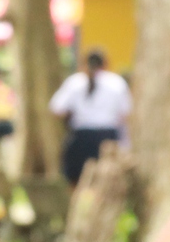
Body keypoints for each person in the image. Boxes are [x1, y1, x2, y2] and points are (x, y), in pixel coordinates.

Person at [50, 49, 131, 187]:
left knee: (76, 180)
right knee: (106, 182)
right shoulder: (116, 83)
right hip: (108, 137)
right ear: (106, 64)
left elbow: (57, 109)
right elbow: (126, 112)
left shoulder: (74, 82)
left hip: (81, 138)